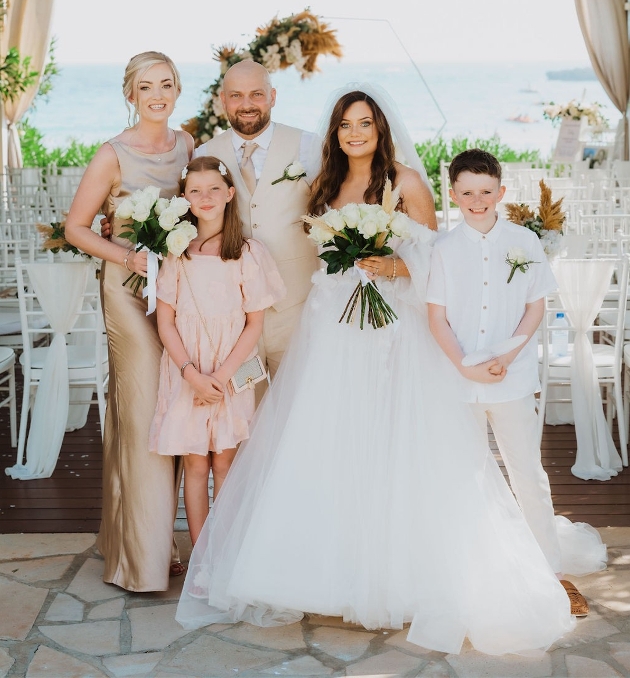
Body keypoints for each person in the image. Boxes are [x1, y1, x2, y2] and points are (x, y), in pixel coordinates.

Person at [176, 84, 574, 656]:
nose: (355, 132)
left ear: (381, 127)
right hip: (332, 323)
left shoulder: (405, 181)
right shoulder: (325, 184)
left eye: (365, 122)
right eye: (345, 124)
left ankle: (399, 572)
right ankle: (324, 571)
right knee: (330, 434)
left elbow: (436, 254)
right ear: (335, 133)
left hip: (391, 328)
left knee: (392, 438)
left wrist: (393, 262)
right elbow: (316, 246)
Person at [427, 148, 606, 617]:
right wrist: (465, 365)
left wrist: (508, 353)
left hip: (513, 376)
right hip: (459, 379)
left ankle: (549, 572)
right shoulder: (442, 250)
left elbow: (535, 306)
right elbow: (437, 317)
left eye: (486, 191)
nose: (477, 200)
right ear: (453, 194)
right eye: (466, 192)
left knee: (527, 471)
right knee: (464, 476)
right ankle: (467, 572)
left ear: (501, 192)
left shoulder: (524, 243)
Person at [65, 52, 193, 592]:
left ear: (177, 90)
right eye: (147, 86)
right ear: (131, 94)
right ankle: (141, 560)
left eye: (166, 84)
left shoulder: (186, 145)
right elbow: (76, 229)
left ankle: (153, 536)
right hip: (127, 288)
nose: (157, 94)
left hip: (178, 291)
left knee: (175, 406)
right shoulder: (110, 154)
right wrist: (129, 258)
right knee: (142, 410)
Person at [149, 157, 285, 545]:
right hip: (186, 369)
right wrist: (192, 375)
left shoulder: (248, 252)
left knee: (224, 460)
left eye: (213, 189)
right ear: (184, 198)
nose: (204, 197)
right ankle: (199, 553)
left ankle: (220, 553)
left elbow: (254, 323)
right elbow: (165, 321)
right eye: (195, 190)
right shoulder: (175, 252)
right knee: (195, 462)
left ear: (229, 194)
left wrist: (220, 377)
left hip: (230, 369)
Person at [194, 59, 319, 392]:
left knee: (298, 404)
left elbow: (338, 202)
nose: (246, 105)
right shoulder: (205, 153)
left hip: (296, 305)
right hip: (232, 316)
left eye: (256, 95)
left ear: (273, 96)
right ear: (223, 100)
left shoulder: (309, 146)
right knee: (246, 409)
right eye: (236, 96)